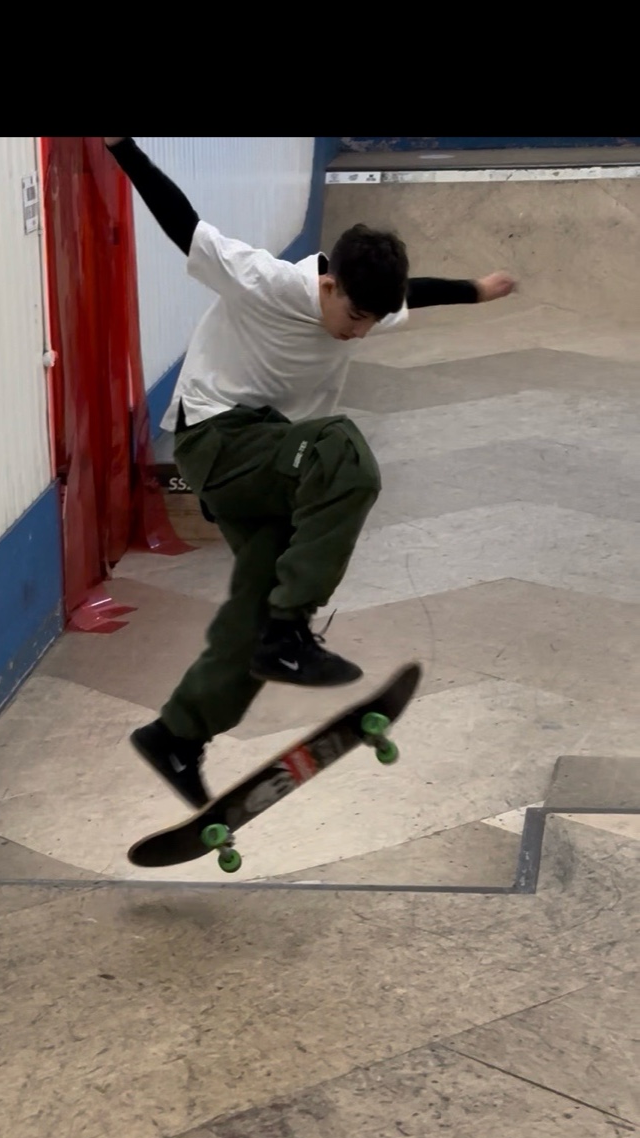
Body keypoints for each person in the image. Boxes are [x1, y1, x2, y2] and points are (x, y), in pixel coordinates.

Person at [105, 137, 515, 808]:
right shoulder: (263, 278)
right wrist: (123, 147)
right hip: (214, 436)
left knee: (259, 595)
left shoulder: (363, 305)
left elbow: (414, 294)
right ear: (327, 284)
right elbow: (182, 222)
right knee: (343, 453)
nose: (356, 334)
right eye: (352, 316)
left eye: (370, 323)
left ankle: (178, 734)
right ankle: (289, 630)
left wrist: (476, 290)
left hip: (266, 458)